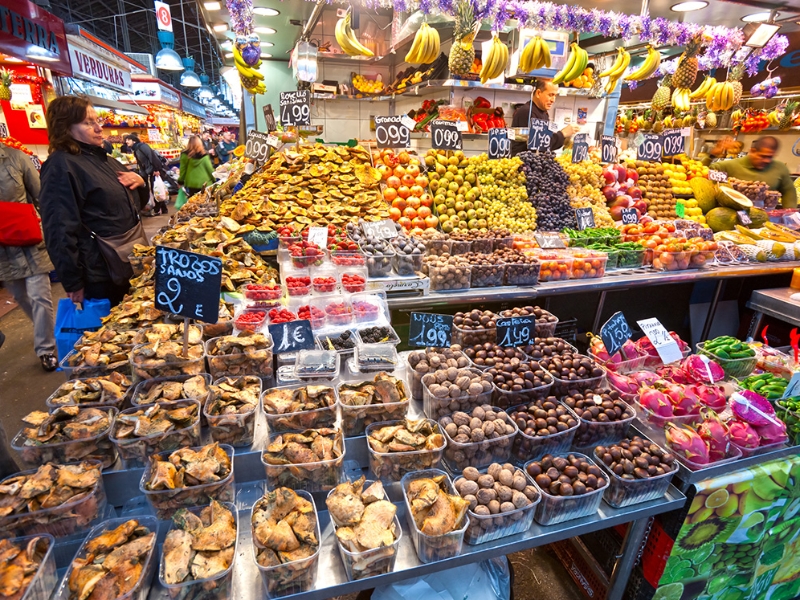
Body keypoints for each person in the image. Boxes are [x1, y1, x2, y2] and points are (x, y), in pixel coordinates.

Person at [39, 96, 148, 307]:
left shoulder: (105, 159)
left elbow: (137, 206)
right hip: (101, 273)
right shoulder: (61, 166)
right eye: (88, 122)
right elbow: (58, 229)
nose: (99, 128)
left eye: (97, 120)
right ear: (65, 127)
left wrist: (141, 183)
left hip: (128, 261)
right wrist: (72, 281)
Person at [0, 144, 58, 371]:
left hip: (29, 239)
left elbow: (41, 195)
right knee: (21, 297)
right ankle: (43, 329)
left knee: (39, 296)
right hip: (3, 250)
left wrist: (54, 231)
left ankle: (45, 349)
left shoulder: (15, 157)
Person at [705, 135, 797, 208]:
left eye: (770, 157)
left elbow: (788, 191)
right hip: (732, 218)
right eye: (763, 156)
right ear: (752, 151)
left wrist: (790, 213)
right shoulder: (728, 166)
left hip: (765, 220)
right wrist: (712, 155)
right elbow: (704, 172)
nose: (767, 161)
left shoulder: (779, 168)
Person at [511, 78, 576, 156]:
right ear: (538, 93)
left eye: (555, 95)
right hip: (524, 165)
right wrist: (563, 134)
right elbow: (539, 143)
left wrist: (563, 135)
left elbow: (545, 140)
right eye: (550, 95)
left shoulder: (543, 112)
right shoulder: (527, 112)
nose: (553, 100)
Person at [124, 133, 168, 215]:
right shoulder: (135, 149)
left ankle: (157, 210)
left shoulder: (142, 146)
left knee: (155, 189)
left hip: (153, 170)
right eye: (126, 140)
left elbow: (152, 156)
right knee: (155, 189)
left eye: (128, 139)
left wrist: (156, 169)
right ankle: (163, 209)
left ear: (134, 140)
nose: (126, 141)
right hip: (148, 171)